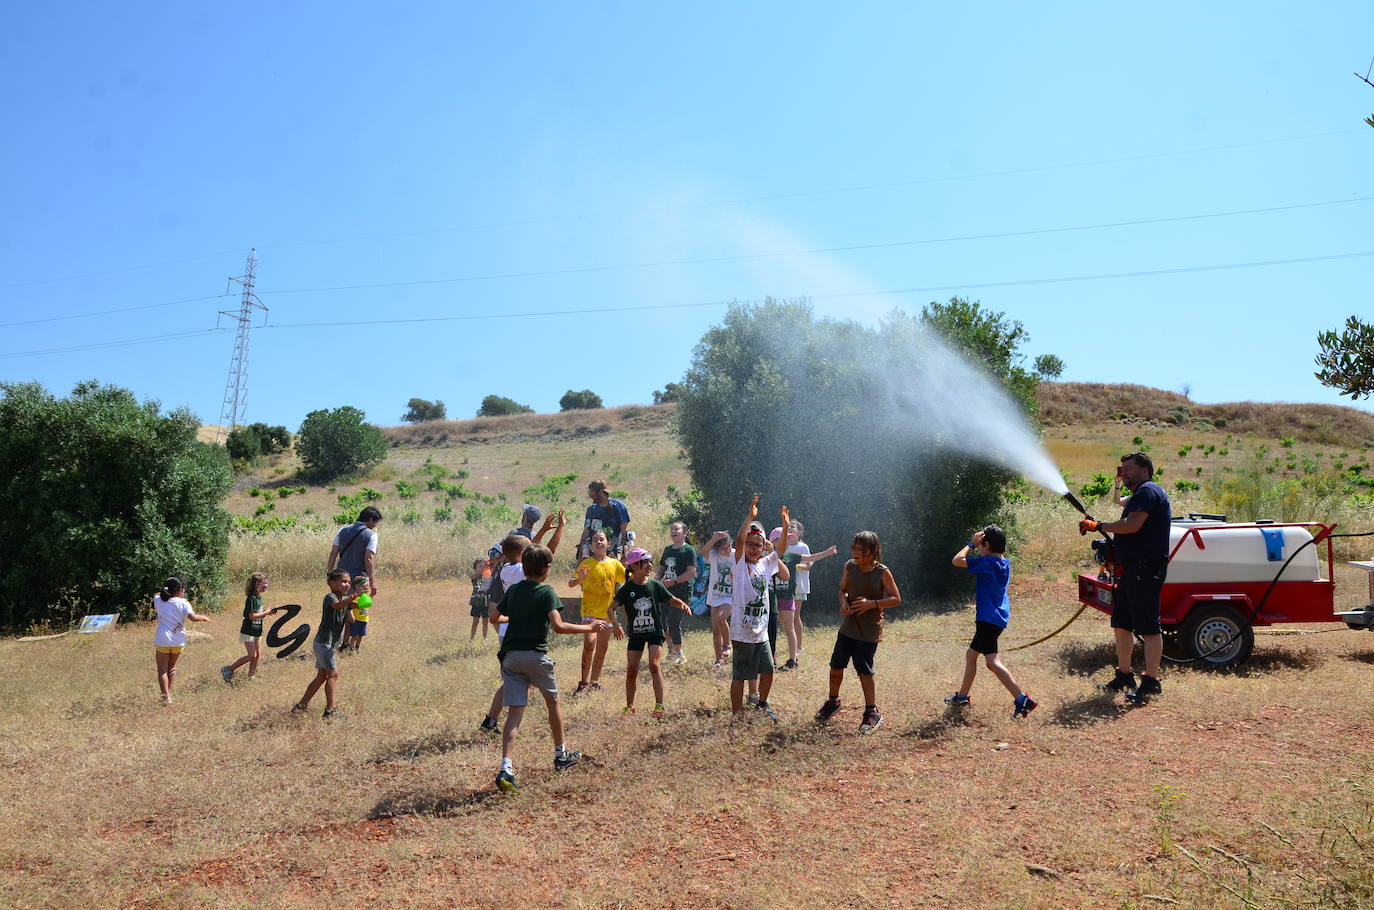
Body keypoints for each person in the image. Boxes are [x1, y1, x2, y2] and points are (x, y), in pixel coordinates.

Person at [488, 543, 609, 793]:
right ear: (547, 568)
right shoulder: (546, 592)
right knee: (553, 702)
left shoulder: (514, 590)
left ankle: (506, 767)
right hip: (535, 657)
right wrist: (589, 627)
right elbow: (559, 626)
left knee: (514, 714)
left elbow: (494, 618)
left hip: (511, 657)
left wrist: (516, 618)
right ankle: (561, 755)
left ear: (524, 566)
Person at [1079, 451, 1172, 702]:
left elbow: (1132, 524)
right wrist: (1118, 482)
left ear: (1145, 470)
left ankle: (1151, 682)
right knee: (1121, 624)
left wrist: (1099, 526)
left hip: (1145, 570)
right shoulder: (1141, 494)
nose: (1124, 472)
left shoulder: (1148, 491)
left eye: (1128, 468)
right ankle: (1124, 675)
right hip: (1132, 570)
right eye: (1122, 469)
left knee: (1149, 628)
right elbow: (1120, 501)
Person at [479, 511, 566, 734]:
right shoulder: (520, 569)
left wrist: (544, 530)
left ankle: (490, 720)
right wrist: (560, 528)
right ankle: (503, 720)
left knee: (512, 681)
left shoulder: (508, 569)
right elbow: (546, 554)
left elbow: (529, 549)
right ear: (521, 554)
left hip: (508, 630)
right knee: (519, 683)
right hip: (520, 631)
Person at [814, 531, 902, 733]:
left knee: (864, 669)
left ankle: (872, 712)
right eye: (854, 548)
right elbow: (842, 590)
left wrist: (871, 604)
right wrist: (843, 602)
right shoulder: (849, 566)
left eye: (860, 549)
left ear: (872, 550)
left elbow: (896, 599)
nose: (856, 553)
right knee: (836, 665)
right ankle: (833, 702)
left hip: (869, 629)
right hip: (849, 626)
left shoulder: (882, 572)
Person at [945, 526, 1036, 717]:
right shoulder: (1005, 563)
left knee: (990, 661)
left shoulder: (986, 562)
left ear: (986, 545)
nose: (978, 548)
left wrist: (971, 544)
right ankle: (962, 697)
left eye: (980, 545)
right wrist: (981, 544)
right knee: (975, 656)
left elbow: (956, 560)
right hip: (998, 618)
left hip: (987, 619)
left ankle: (1022, 699)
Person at [728, 497, 790, 721]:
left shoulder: (765, 564)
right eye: (750, 544)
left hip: (761, 631)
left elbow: (781, 550)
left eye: (758, 545)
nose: (753, 549)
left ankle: (762, 704)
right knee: (740, 676)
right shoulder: (739, 564)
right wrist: (750, 517)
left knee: (768, 670)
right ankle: (737, 714)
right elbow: (739, 538)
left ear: (763, 548)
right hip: (742, 631)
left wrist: (785, 526)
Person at [615, 547, 691, 718]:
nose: (650, 565)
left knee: (654, 665)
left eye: (650, 561)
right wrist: (616, 625)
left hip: (655, 633)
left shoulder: (655, 585)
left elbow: (671, 599)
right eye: (646, 562)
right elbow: (611, 608)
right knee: (631, 670)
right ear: (634, 566)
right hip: (636, 635)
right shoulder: (627, 589)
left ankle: (659, 706)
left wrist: (683, 605)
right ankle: (629, 706)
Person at [292, 569, 359, 720]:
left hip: (328, 644)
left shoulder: (345, 598)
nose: (347, 585)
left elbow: (354, 613)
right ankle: (330, 711)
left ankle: (300, 706)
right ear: (332, 583)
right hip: (324, 643)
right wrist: (353, 597)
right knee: (333, 674)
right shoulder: (330, 597)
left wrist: (365, 596)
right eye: (344, 581)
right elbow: (338, 606)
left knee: (322, 676)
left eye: (349, 582)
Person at [568, 529, 626, 697]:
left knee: (602, 649)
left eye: (601, 539)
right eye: (595, 540)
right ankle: (583, 683)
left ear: (609, 544)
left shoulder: (614, 564)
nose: (599, 542)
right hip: (589, 612)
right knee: (589, 644)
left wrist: (632, 564)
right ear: (591, 546)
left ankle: (594, 682)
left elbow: (627, 577)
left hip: (607, 614)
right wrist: (580, 578)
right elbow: (571, 583)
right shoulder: (586, 563)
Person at [771, 527, 837, 671]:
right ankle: (771, 659)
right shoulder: (767, 557)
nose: (787, 542)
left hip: (788, 597)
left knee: (789, 628)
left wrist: (826, 553)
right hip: (772, 599)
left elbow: (810, 558)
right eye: (784, 539)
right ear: (774, 542)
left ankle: (792, 660)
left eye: (788, 539)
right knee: (772, 630)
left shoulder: (791, 556)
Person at [153, 577, 210, 706]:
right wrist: (203, 617)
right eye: (183, 589)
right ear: (180, 590)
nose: (184, 591)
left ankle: (165, 697)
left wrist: (165, 592)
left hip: (163, 639)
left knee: (162, 669)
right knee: (172, 667)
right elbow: (193, 618)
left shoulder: (159, 600)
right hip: (178, 640)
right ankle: (169, 693)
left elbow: (156, 594)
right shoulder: (184, 603)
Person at [788, 519, 836, 661]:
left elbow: (808, 566)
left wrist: (794, 566)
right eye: (788, 527)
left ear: (800, 532)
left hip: (799, 586)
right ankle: (793, 644)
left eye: (792, 527)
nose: (789, 529)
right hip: (785, 586)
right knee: (785, 617)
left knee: (795, 616)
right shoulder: (783, 545)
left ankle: (799, 648)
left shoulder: (803, 547)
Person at [222, 573, 280, 682]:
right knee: (251, 655)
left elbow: (258, 613)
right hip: (248, 631)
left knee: (257, 655)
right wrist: (266, 613)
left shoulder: (259, 598)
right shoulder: (252, 598)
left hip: (257, 630)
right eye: (264, 583)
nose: (266, 585)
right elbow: (252, 616)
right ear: (257, 584)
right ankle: (228, 669)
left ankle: (251, 676)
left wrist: (267, 612)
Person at [656, 522, 697, 665]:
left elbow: (691, 572)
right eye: (672, 529)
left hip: (682, 592)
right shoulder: (668, 549)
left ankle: (680, 653)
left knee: (673, 621)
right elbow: (662, 568)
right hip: (666, 591)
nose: (673, 531)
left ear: (685, 533)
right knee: (662, 621)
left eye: (677, 529)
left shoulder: (688, 550)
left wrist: (673, 581)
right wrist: (658, 580)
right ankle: (671, 650)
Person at [328, 506, 381, 601]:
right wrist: (372, 581)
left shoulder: (342, 531)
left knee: (342, 604)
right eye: (375, 522)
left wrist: (330, 575)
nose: (374, 526)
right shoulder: (372, 535)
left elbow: (333, 553)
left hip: (341, 577)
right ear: (370, 519)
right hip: (360, 579)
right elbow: (369, 558)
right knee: (359, 606)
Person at [703, 531, 735, 668]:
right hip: (715, 594)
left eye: (729, 546)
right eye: (724, 548)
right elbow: (704, 551)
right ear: (717, 549)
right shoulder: (713, 555)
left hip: (730, 595)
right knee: (715, 628)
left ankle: (727, 645)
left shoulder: (735, 554)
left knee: (721, 617)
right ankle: (718, 659)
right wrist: (714, 538)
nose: (728, 550)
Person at [578, 480, 631, 558]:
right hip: (594, 550)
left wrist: (624, 554)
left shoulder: (618, 506)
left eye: (592, 492)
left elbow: (624, 532)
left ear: (600, 492)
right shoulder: (591, 509)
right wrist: (580, 552)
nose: (590, 495)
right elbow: (586, 531)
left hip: (614, 550)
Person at [343, 574, 373, 653]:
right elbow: (350, 606)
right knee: (354, 636)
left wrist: (372, 594)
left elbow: (368, 602)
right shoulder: (355, 596)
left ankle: (357, 648)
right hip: (356, 620)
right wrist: (351, 615)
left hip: (364, 619)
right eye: (363, 587)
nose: (366, 588)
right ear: (356, 587)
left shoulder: (365, 596)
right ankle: (350, 650)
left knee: (360, 636)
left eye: (367, 587)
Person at [469, 558, 492, 641]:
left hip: (486, 602)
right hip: (477, 602)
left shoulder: (487, 575)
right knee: (475, 621)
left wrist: (488, 567)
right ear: (475, 568)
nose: (482, 568)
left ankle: (485, 638)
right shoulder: (474, 576)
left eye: (483, 566)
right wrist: (483, 570)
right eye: (480, 566)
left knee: (485, 621)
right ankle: (472, 638)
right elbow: (476, 576)